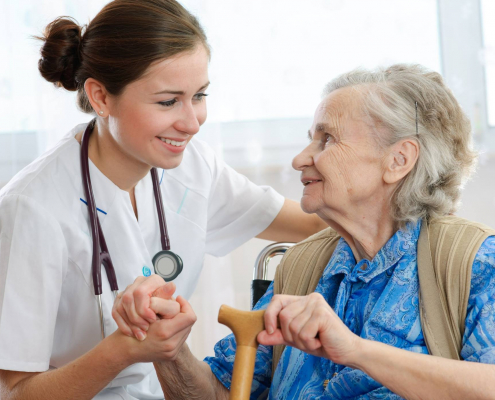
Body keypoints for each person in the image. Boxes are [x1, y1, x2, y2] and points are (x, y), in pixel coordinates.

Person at [0, 1, 327, 399]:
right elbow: (14, 392)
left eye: (199, 95)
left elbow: (317, 222)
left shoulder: (192, 169)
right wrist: (122, 350)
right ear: (100, 97)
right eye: (168, 101)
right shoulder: (32, 208)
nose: (191, 123)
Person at [115, 64, 495, 399]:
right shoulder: (302, 268)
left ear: (398, 160)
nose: (300, 159)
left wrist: (354, 350)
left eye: (326, 139)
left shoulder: (475, 262)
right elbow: (222, 394)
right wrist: (168, 348)